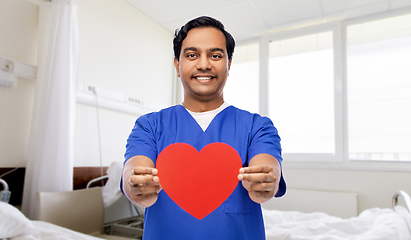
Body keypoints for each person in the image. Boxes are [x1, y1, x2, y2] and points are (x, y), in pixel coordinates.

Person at [121, 16, 286, 240]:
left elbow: (268, 167)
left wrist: (267, 180)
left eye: (216, 55)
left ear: (228, 64)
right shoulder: (149, 126)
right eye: (191, 55)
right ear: (177, 65)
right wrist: (136, 185)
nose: (204, 64)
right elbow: (133, 169)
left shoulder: (257, 127)